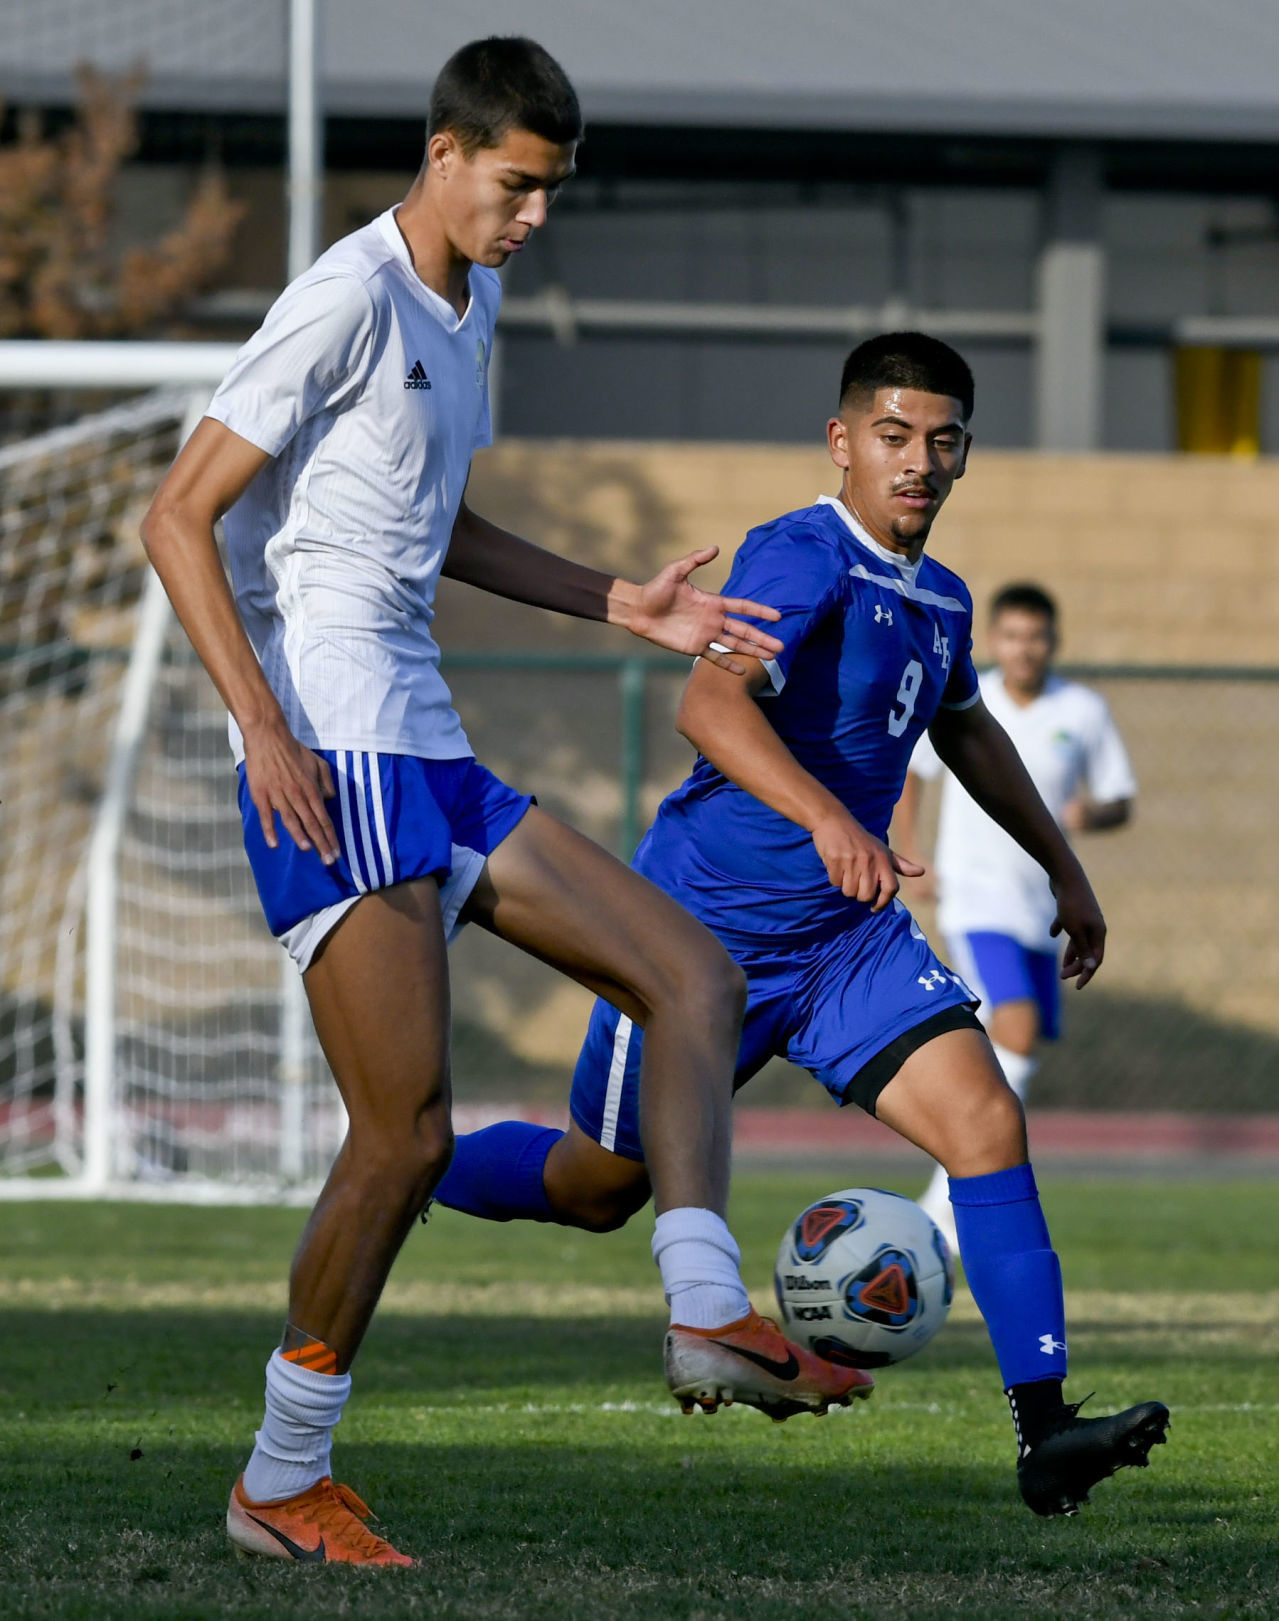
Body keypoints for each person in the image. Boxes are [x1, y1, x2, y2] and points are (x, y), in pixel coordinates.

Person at [140, 36, 866, 1570]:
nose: (533, 217)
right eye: (519, 186)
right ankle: (280, 1478)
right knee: (399, 1140)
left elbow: (434, 514)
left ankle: (701, 1310)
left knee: (690, 976)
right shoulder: (343, 293)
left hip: (428, 742)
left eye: (550, 193)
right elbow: (177, 514)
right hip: (331, 750)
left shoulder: (471, 311)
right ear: (447, 151)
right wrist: (259, 727)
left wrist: (621, 603)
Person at [433, 332, 1169, 1518]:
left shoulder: (940, 595)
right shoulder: (800, 551)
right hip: (692, 941)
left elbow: (967, 730)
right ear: (842, 444)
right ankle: (420, 1158)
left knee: (985, 1123)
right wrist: (834, 819)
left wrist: (1064, 869)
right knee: (591, 1188)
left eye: (940, 441)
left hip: (843, 945)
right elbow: (707, 703)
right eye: (891, 437)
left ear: (964, 454)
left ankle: (1047, 1432)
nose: (915, 461)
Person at [897, 584, 1137, 1254]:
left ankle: (970, 1174)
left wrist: (1090, 814)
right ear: (993, 640)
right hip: (975, 901)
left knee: (1001, 1050)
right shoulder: (968, 701)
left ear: (1051, 641)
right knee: (1016, 1026)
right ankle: (943, 1207)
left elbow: (1119, 798)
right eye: (1010, 635)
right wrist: (909, 847)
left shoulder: (1081, 711)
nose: (1022, 648)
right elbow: (912, 770)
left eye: (1034, 636)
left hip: (1043, 910)